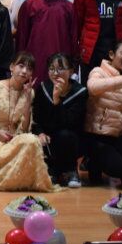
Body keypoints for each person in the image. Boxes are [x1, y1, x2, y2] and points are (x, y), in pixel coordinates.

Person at [0, 52, 54, 192]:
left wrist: (27, 100)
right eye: (21, 66)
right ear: (11, 67)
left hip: (14, 138)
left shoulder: (30, 92)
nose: (24, 71)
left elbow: (24, 129)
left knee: (31, 140)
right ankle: (1, 175)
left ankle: (12, 176)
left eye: (29, 68)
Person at [84, 41, 122, 189]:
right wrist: (121, 81)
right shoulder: (98, 71)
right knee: (120, 171)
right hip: (96, 135)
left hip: (117, 135)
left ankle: (102, 163)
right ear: (111, 54)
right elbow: (92, 87)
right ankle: (94, 163)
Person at [32, 53, 87, 188]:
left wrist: (57, 101)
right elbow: (36, 118)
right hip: (47, 137)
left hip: (70, 138)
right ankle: (53, 171)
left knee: (65, 135)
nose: (55, 73)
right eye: (52, 69)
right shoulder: (43, 88)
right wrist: (40, 133)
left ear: (71, 71)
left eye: (60, 69)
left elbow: (71, 123)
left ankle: (71, 171)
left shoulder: (80, 92)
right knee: (36, 139)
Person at [16, 0, 76, 74]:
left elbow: (73, 41)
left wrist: (73, 68)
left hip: (60, 66)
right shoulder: (29, 4)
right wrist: (20, 65)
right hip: (33, 63)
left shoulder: (69, 8)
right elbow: (21, 38)